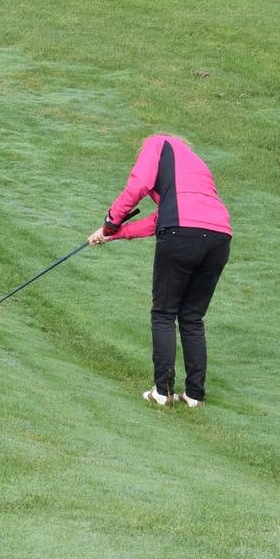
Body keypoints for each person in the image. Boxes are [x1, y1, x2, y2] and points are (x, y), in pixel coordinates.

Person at [87, 134, 231, 407]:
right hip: (220, 237)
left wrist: (110, 222)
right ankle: (194, 396)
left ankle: (162, 392)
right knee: (192, 316)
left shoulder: (158, 143)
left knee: (164, 312)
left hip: (182, 233)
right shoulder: (195, 165)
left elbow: (138, 186)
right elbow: (161, 218)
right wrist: (113, 235)